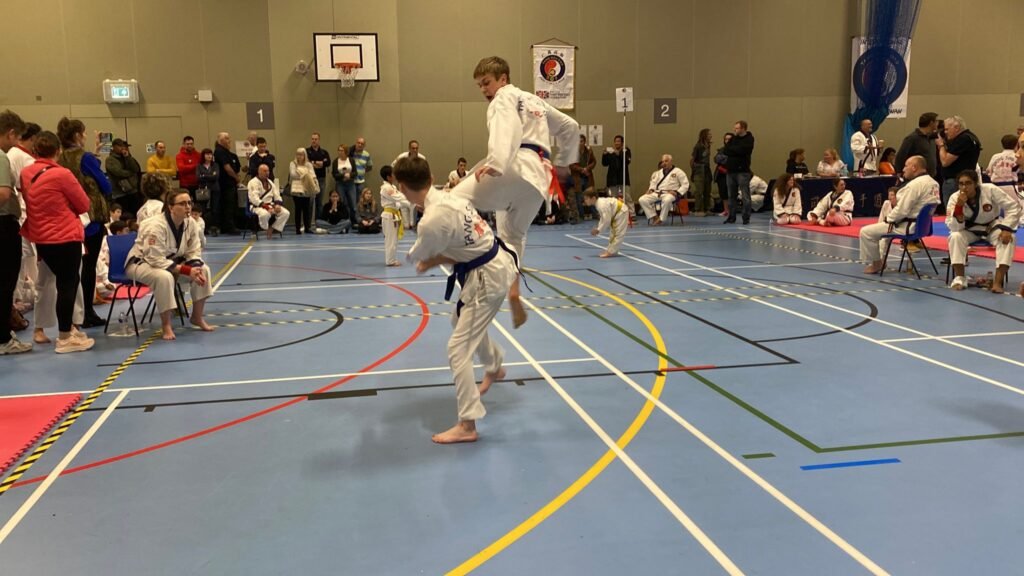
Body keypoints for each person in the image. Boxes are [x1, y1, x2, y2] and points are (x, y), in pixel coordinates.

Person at [395, 157, 518, 444]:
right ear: (431, 175)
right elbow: (460, 248)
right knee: (458, 319)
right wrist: (433, 259)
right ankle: (495, 365)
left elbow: (423, 253)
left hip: (487, 277)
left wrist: (423, 260)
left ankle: (467, 424)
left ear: (401, 187)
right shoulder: (452, 198)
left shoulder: (431, 221)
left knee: (458, 350)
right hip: (493, 266)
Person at [450, 56, 579, 328]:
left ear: (503, 79)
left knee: (452, 202)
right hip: (539, 180)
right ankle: (513, 290)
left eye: (486, 82)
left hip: (514, 165)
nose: (484, 89)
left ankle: (475, 265)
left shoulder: (503, 98)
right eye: (479, 85)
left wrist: (496, 161)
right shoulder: (536, 102)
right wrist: (564, 162)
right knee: (514, 236)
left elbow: (504, 125)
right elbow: (571, 127)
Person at [19, 131, 94, 353]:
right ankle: (64, 336)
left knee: (54, 283)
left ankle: (63, 330)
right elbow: (83, 204)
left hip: (41, 237)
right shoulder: (63, 174)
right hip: (65, 237)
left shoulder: (26, 173)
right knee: (67, 285)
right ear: (58, 151)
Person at [125, 189, 214, 340]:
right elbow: (155, 259)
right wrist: (186, 270)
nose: (188, 207)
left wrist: (194, 269)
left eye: (189, 203)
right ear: (170, 207)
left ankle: (197, 317)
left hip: (171, 262)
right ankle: (166, 325)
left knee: (203, 269)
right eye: (182, 203)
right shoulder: (155, 225)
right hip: (141, 264)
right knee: (164, 277)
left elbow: (194, 250)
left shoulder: (190, 223)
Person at [57, 117, 111, 328]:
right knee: (89, 267)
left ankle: (78, 312)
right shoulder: (85, 158)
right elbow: (104, 185)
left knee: (72, 270)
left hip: (70, 217)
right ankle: (87, 312)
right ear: (78, 135)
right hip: (91, 217)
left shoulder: (61, 158)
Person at [858, 156, 940, 274]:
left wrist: (888, 220)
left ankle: (877, 264)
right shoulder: (934, 183)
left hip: (907, 227)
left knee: (866, 232)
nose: (903, 169)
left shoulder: (915, 185)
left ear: (914, 167)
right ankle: (879, 260)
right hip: (922, 227)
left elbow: (902, 210)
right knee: (880, 230)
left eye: (906, 166)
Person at [945, 169, 1020, 293]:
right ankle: (959, 278)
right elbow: (953, 227)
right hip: (970, 230)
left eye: (968, 183)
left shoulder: (990, 190)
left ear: (976, 184)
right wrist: (959, 207)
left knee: (1009, 239)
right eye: (961, 184)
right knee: (955, 236)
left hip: (991, 227)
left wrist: (1007, 228)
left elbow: (1013, 207)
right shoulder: (954, 198)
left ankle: (997, 281)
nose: (964, 187)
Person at [0, 110, 31, 354]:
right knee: (5, 282)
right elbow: (3, 194)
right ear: (10, 133)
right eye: (17, 137)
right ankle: (3, 339)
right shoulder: (1, 156)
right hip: (3, 225)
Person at [937, 115, 982, 206]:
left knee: (952, 210)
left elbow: (945, 161)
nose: (945, 133)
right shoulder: (971, 137)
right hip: (965, 179)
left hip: (955, 181)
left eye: (947, 129)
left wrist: (941, 145)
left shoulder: (963, 139)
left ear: (956, 127)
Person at [638, 154, 689, 225]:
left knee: (667, 200)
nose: (664, 163)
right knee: (642, 199)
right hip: (658, 193)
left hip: (670, 194)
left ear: (671, 161)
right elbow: (653, 183)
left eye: (666, 161)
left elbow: (685, 184)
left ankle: (661, 219)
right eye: (663, 161)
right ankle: (654, 216)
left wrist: (677, 192)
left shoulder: (678, 172)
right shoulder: (658, 173)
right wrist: (651, 190)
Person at [723, 120, 755, 224]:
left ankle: (746, 217)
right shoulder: (733, 138)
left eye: (737, 128)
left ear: (743, 129)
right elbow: (726, 150)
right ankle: (731, 216)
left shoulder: (749, 139)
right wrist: (735, 150)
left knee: (745, 195)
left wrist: (734, 150)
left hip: (743, 171)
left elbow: (744, 150)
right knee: (731, 195)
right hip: (731, 170)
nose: (734, 130)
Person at [247, 164, 289, 239]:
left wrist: (277, 205)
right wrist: (266, 207)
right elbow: (254, 199)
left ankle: (272, 229)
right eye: (265, 171)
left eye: (268, 171)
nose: (267, 173)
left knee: (285, 213)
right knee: (265, 214)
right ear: (259, 172)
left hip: (270, 205)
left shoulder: (270, 182)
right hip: (257, 206)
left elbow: (277, 195)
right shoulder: (253, 182)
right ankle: (263, 230)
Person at [894, 112, 939, 178]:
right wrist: (899, 173)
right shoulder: (913, 138)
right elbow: (900, 156)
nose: (938, 123)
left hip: (930, 177)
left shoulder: (931, 138)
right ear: (931, 123)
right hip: (916, 177)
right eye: (936, 121)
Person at [585, 189, 628, 257]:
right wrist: (598, 229)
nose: (585, 201)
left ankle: (610, 251)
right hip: (617, 213)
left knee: (618, 233)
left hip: (621, 212)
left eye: (586, 199)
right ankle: (612, 250)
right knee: (613, 233)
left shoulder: (601, 205)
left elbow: (606, 220)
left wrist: (598, 230)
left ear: (593, 198)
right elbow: (603, 218)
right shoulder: (598, 204)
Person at [213, 132, 242, 235]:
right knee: (228, 205)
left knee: (232, 205)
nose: (229, 140)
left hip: (231, 184)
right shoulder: (219, 151)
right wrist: (236, 178)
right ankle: (228, 227)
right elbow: (227, 168)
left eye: (229, 138)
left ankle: (231, 225)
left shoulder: (229, 153)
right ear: (220, 140)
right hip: (225, 184)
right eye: (226, 138)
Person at [105, 138, 143, 216]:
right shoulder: (110, 160)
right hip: (120, 192)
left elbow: (136, 169)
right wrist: (131, 173)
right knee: (124, 215)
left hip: (132, 190)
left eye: (123, 146)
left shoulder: (127, 157)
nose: (122, 148)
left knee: (136, 213)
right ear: (114, 147)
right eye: (120, 146)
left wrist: (128, 157)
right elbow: (119, 172)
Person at [288, 148, 319, 234]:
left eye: (301, 154)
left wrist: (301, 173)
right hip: (296, 189)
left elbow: (312, 174)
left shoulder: (308, 164)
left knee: (306, 209)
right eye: (298, 154)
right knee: (298, 209)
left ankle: (307, 227)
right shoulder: (293, 163)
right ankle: (297, 228)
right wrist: (305, 174)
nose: (299, 156)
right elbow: (293, 174)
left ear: (304, 155)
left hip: (306, 188)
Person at [379, 165, 405, 266]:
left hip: (394, 214)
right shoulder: (386, 188)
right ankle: (390, 261)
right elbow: (398, 198)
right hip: (389, 216)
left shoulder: (392, 187)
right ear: (388, 177)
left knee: (393, 239)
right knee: (391, 239)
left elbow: (399, 202)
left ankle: (392, 259)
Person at [602, 134, 633, 216]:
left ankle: (631, 214)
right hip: (612, 179)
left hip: (623, 178)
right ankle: (614, 214)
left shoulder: (626, 151)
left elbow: (627, 161)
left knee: (627, 197)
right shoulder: (611, 152)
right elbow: (604, 163)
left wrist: (619, 154)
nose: (617, 143)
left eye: (618, 141)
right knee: (613, 198)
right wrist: (604, 154)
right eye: (615, 141)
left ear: (622, 143)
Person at [569, 135, 596, 220]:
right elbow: (571, 165)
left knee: (591, 195)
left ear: (584, 142)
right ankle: (581, 215)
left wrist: (587, 168)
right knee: (579, 197)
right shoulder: (573, 152)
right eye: (578, 141)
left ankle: (595, 214)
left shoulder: (589, 151)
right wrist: (581, 169)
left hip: (588, 176)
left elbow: (594, 162)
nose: (580, 143)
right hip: (578, 177)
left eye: (581, 141)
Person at [306, 132, 330, 218]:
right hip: (310, 180)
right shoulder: (307, 151)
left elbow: (328, 162)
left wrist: (321, 163)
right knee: (310, 202)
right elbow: (306, 162)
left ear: (319, 140)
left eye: (316, 139)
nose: (314, 141)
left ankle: (318, 222)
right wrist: (316, 163)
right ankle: (308, 224)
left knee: (319, 202)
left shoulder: (324, 152)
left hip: (321, 179)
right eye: (312, 139)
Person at [195, 147, 219, 232]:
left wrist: (204, 176)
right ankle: (203, 227)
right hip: (203, 190)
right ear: (203, 156)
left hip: (214, 189)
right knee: (203, 209)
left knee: (214, 209)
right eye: (207, 154)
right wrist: (210, 176)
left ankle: (214, 227)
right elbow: (198, 177)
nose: (209, 156)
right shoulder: (199, 166)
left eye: (210, 154)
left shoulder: (215, 165)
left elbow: (216, 177)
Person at [690, 129, 713, 216]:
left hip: (707, 169)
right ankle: (698, 209)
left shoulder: (708, 146)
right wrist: (694, 171)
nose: (711, 136)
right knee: (699, 191)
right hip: (699, 170)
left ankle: (707, 208)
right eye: (709, 134)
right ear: (704, 135)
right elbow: (692, 160)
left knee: (707, 190)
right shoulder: (698, 146)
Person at [331, 144, 357, 221]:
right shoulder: (336, 161)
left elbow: (355, 173)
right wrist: (343, 175)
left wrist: (350, 175)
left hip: (350, 184)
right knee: (341, 203)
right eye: (339, 150)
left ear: (346, 151)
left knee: (353, 204)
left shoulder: (351, 160)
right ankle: (343, 220)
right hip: (340, 184)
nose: (340, 152)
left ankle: (353, 221)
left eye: (342, 150)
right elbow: (334, 174)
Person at [713, 132, 732, 215]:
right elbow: (716, 159)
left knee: (731, 193)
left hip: (731, 174)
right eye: (726, 139)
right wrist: (723, 158)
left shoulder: (736, 150)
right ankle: (726, 210)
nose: (727, 140)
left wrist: (723, 159)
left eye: (729, 139)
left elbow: (729, 160)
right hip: (721, 174)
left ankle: (732, 210)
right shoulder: (721, 149)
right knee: (723, 193)